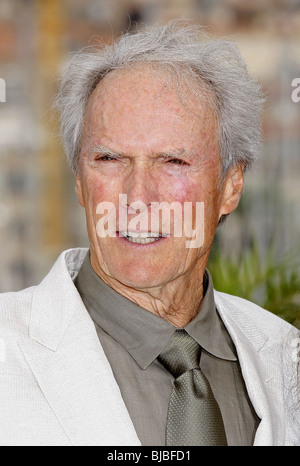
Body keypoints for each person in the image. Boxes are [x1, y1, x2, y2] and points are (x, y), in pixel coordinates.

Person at [0, 22, 299, 447]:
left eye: (173, 161)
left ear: (231, 186)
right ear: (80, 182)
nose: (138, 197)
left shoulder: (287, 357)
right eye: (109, 158)